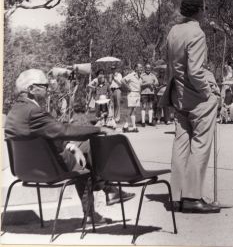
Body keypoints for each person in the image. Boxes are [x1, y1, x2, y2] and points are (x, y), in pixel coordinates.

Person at [4, 69, 135, 224]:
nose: (48, 88)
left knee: (82, 148)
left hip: (24, 169)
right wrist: (99, 129)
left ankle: (109, 192)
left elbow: (47, 135)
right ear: (31, 89)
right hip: (49, 169)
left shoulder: (14, 111)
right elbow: (63, 130)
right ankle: (102, 199)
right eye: (44, 85)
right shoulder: (33, 111)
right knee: (90, 149)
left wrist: (71, 146)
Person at [160, 0, 221, 214]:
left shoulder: (174, 31)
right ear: (199, 10)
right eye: (205, 8)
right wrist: (209, 92)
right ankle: (192, 197)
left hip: (179, 95)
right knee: (200, 145)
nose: (206, 12)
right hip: (197, 96)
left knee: (180, 144)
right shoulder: (197, 32)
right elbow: (195, 71)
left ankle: (176, 197)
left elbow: (172, 66)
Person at [122, 64, 142, 133]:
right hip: (132, 93)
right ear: (136, 68)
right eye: (140, 67)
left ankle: (134, 127)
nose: (141, 69)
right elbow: (123, 80)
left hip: (137, 94)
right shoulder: (131, 75)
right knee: (130, 109)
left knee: (134, 110)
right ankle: (125, 125)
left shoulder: (139, 76)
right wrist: (128, 87)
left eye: (141, 67)